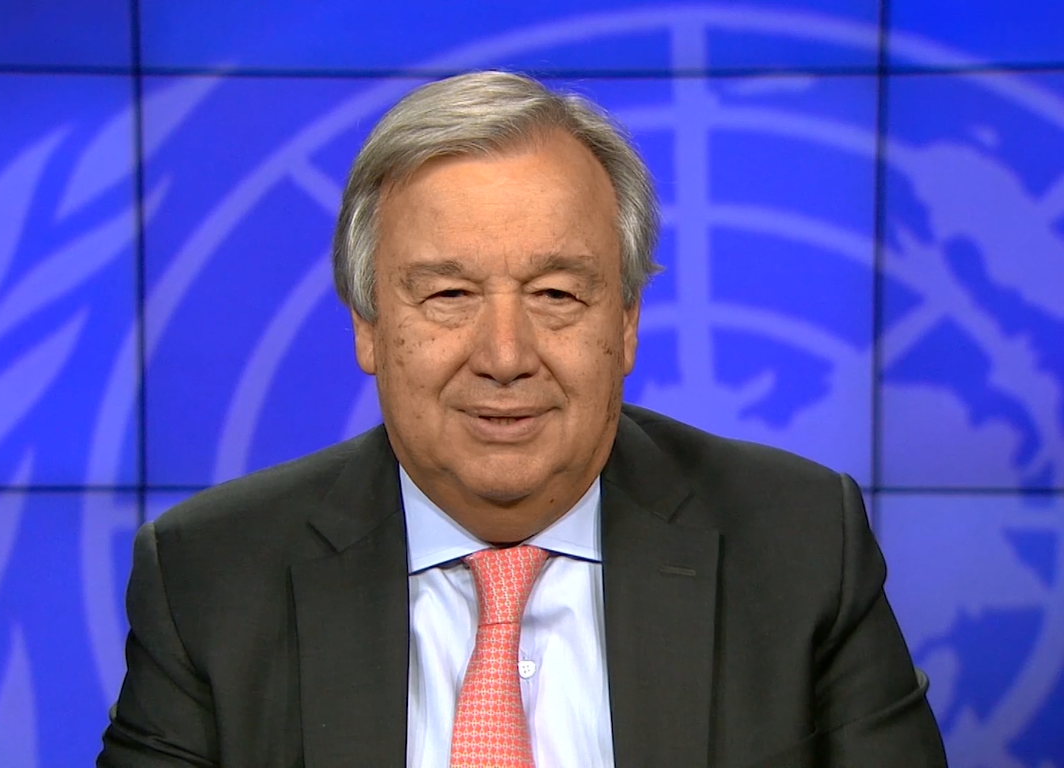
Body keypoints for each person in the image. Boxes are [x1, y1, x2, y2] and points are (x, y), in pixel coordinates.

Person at [98, 71, 946, 767]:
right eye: (448, 294)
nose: (505, 355)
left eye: (556, 294)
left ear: (626, 323)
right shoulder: (209, 579)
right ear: (367, 326)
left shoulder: (801, 546)